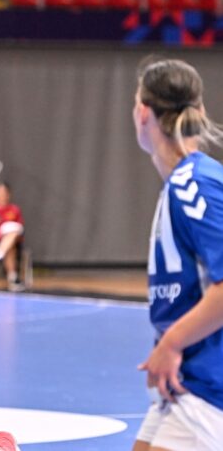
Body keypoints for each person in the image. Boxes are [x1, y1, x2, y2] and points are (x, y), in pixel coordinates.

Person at [132, 58, 223, 451]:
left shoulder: (194, 184)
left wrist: (171, 343)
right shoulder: (180, 184)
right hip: (187, 377)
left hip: (208, 385)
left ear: (143, 113)